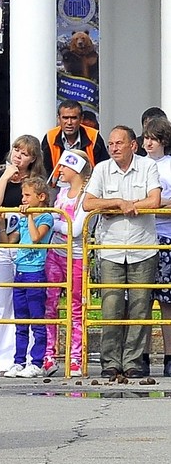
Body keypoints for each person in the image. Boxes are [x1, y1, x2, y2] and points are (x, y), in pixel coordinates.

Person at [83, 125, 161, 379]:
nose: (114, 148)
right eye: (111, 144)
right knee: (111, 306)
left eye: (119, 143)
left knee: (140, 307)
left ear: (133, 146)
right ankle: (110, 362)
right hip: (111, 248)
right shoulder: (102, 169)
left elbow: (154, 200)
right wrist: (117, 202)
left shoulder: (148, 167)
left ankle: (134, 361)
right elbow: (88, 203)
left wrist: (128, 206)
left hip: (143, 246)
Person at [0, 135, 46, 375]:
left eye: (25, 153)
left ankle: (26, 358)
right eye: (16, 150)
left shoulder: (35, 183)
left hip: (24, 247)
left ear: (33, 159)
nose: (18, 155)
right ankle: (0, 360)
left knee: (25, 305)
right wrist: (7, 176)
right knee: (1, 302)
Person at [0, 177, 55, 378]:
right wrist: (1, 224)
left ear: (41, 197)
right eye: (23, 195)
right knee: (20, 321)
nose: (23, 199)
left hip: (36, 273)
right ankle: (18, 361)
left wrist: (30, 217)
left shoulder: (47, 217)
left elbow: (35, 238)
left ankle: (37, 361)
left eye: (27, 195)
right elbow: (10, 241)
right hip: (20, 271)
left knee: (37, 320)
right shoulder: (23, 218)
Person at [45, 149, 92, 377]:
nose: (60, 170)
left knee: (76, 308)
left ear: (75, 168)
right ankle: (48, 354)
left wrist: (56, 222)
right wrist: (58, 222)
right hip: (56, 254)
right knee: (50, 304)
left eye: (64, 166)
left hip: (77, 257)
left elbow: (74, 229)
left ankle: (75, 357)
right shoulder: (61, 193)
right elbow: (57, 220)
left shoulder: (87, 195)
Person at [142, 117, 171, 376]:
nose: (148, 143)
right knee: (140, 299)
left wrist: (153, 203)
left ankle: (169, 356)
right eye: (145, 138)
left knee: (166, 301)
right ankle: (142, 355)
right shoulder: (139, 165)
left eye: (153, 138)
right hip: (141, 236)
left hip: (165, 236)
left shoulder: (169, 166)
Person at [41, 99, 110, 173]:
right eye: (65, 118)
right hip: (57, 183)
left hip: (88, 183)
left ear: (81, 119)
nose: (69, 123)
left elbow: (104, 167)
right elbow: (44, 170)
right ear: (58, 118)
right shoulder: (50, 137)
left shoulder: (94, 137)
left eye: (74, 118)